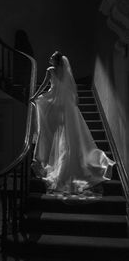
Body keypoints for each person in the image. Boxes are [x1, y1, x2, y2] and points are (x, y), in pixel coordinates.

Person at [30, 51, 115, 198]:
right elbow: (69, 90)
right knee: (65, 134)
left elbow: (45, 86)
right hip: (66, 106)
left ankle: (56, 160)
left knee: (54, 129)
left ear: (55, 61)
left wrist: (34, 96)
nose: (49, 58)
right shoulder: (65, 71)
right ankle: (66, 160)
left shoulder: (50, 70)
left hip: (55, 105)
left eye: (51, 57)